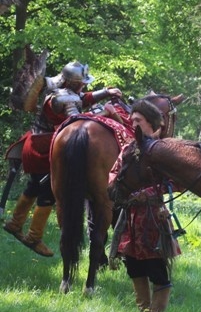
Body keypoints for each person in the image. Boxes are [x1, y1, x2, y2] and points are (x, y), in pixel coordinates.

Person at [3, 61, 121, 257]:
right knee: (49, 192)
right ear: (74, 83)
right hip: (43, 149)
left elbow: (82, 98)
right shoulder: (64, 97)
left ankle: (15, 223)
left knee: (33, 186)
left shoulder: (61, 91)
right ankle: (34, 237)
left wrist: (106, 92)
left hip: (35, 143)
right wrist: (106, 111)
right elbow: (76, 123)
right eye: (81, 82)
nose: (84, 85)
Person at [108, 99, 181, 312]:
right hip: (129, 217)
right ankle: (143, 311)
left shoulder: (163, 151)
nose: (133, 123)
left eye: (138, 120)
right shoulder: (129, 148)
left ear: (151, 123)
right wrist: (113, 187)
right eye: (132, 119)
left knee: (156, 269)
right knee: (133, 267)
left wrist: (148, 194)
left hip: (153, 217)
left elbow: (176, 182)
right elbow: (115, 172)